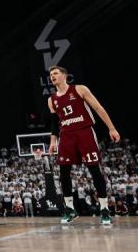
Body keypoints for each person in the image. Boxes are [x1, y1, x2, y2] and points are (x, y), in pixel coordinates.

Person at [47, 65, 120, 225]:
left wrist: (112, 128)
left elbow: (98, 108)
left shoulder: (79, 89)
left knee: (94, 169)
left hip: (84, 132)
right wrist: (53, 142)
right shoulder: (51, 100)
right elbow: (54, 124)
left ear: (64, 76)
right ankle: (70, 209)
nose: (52, 76)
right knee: (63, 171)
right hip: (66, 135)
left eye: (55, 73)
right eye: (51, 74)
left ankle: (104, 209)